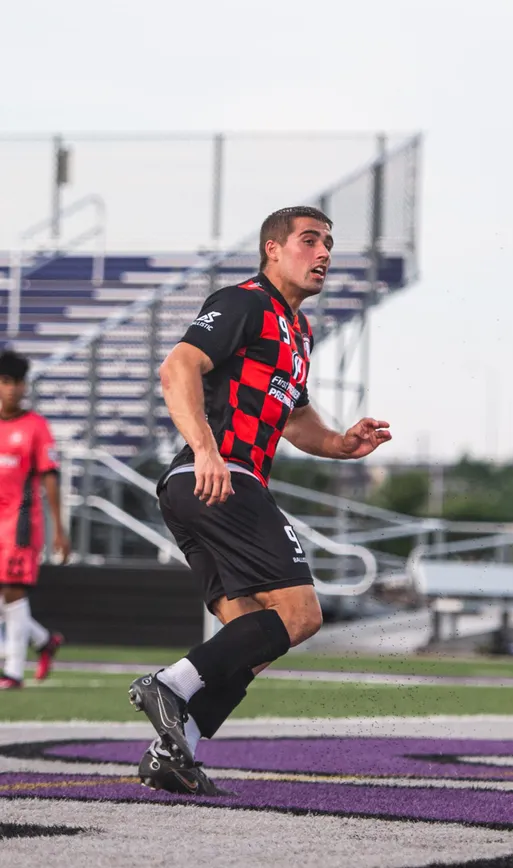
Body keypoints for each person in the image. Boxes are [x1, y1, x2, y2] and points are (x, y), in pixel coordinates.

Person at [127, 206, 392, 795]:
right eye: (309, 241)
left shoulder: (299, 331)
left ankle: (176, 749)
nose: (323, 253)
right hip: (221, 478)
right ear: (273, 249)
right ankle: (168, 686)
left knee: (250, 642)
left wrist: (341, 443)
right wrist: (206, 449)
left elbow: (295, 418)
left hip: (202, 488)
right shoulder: (246, 301)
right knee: (302, 616)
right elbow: (178, 368)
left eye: (328, 242)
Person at [0, 350, 69, 689]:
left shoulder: (36, 427)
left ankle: (12, 670)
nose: (13, 389)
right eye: (6, 381)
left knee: (12, 592)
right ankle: (44, 641)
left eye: (18, 382)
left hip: (21, 523)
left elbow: (50, 477)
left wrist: (60, 529)